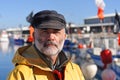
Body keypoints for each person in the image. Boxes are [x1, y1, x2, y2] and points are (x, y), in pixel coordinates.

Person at [7, 10, 85, 80]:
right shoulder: (20, 75)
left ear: (64, 37)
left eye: (56, 32)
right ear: (34, 36)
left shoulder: (75, 70)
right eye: (44, 31)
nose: (51, 37)